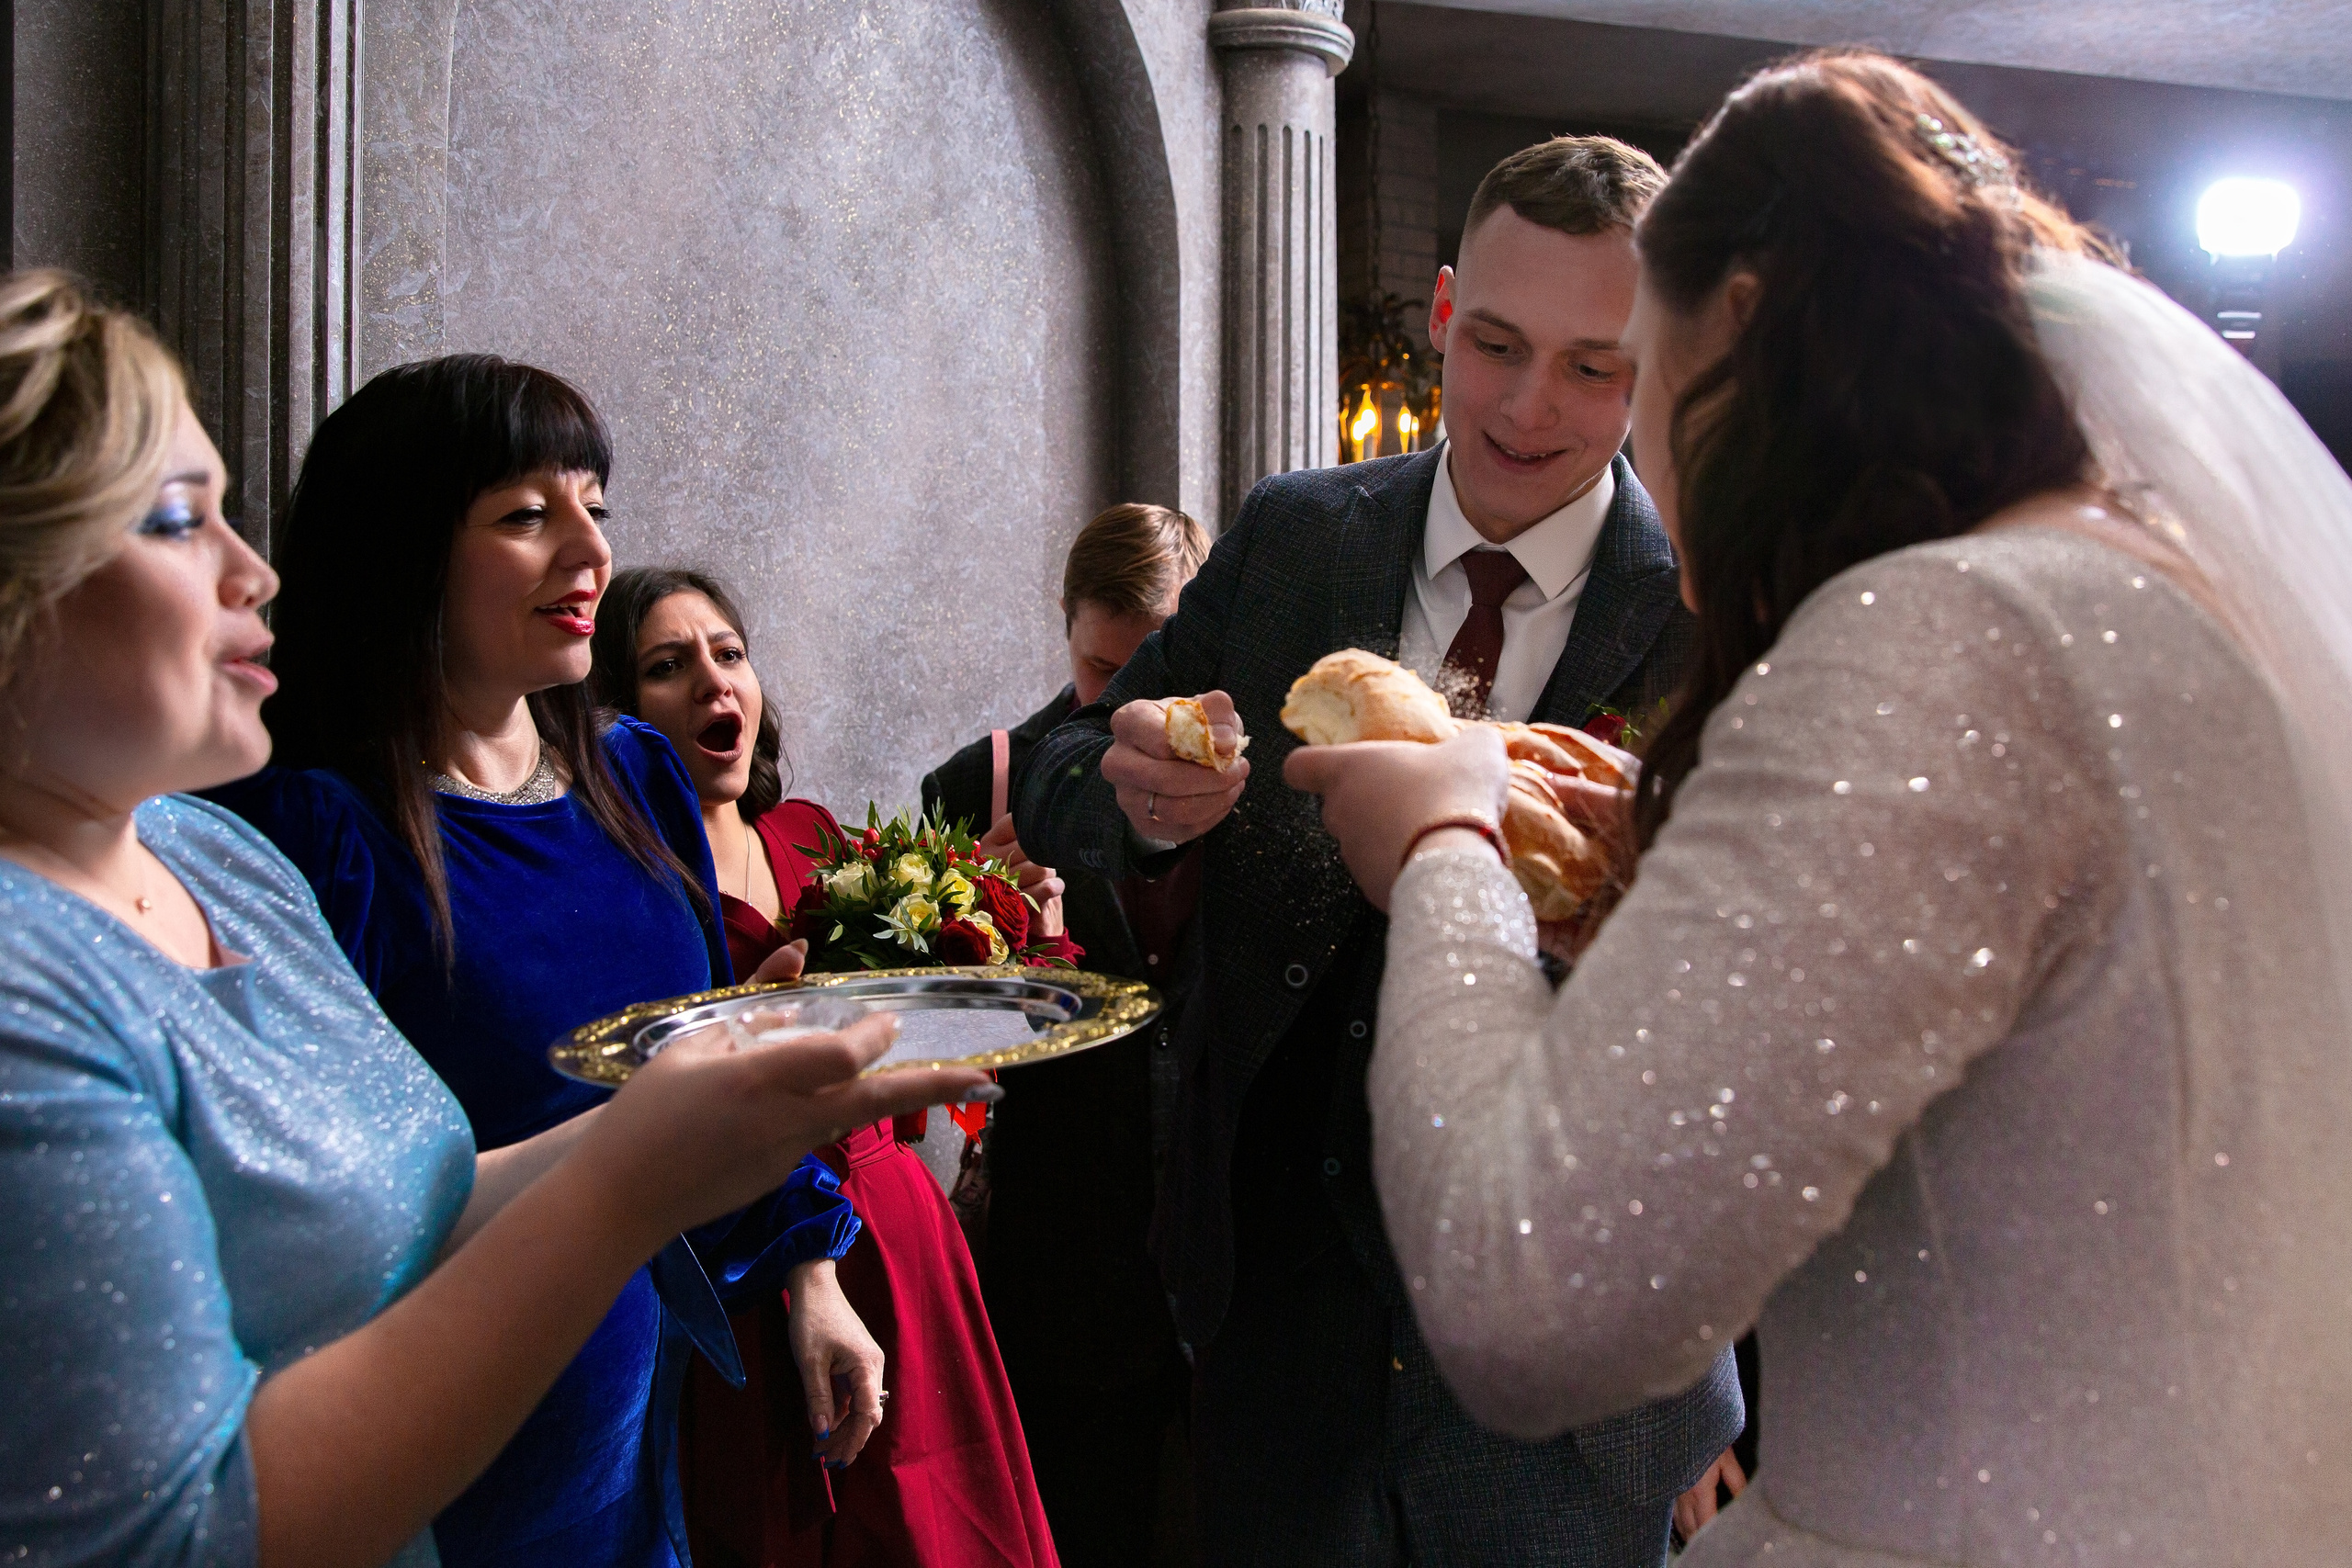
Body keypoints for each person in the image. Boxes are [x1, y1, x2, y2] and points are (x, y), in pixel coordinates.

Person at [1287, 51, 2352, 1565]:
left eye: (1634, 372)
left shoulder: (1939, 633)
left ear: (1731, 346)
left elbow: (1529, 1295)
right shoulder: (2170, 589)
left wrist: (1448, 840)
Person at [0, 269, 989, 1568]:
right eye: (182, 520)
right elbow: (188, 1522)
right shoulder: (223, 872)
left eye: (596, 511)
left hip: (616, 1435)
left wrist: (725, 1131)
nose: (253, 572)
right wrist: (630, 1176)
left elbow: (403, 1193)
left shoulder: (208, 855)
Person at [1017, 139, 1743, 1565]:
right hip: (1273, 1332)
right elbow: (1060, 764)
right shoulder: (1294, 535)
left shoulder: (1712, 615)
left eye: (1593, 367)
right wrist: (1140, 800)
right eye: (1497, 344)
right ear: (1442, 309)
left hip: (1566, 1379)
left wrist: (1701, 1381)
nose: (1526, 407)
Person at [206, 355, 898, 1568]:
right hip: (439, 1432)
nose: (591, 553)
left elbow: (704, 1052)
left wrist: (808, 1272)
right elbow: (312, 1217)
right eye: (528, 515)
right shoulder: (318, 828)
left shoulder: (635, 769)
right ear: (403, 548)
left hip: (632, 1408)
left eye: (596, 506)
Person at [592, 565, 1062, 1568]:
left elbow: (916, 1029)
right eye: (667, 666)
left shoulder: (806, 831)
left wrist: (1015, 935)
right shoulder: (628, 885)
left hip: (900, 1228)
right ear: (618, 714)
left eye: (729, 653)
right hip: (753, 1262)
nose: (713, 681)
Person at [921, 502, 1211, 1567]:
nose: (1127, 712)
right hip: (1067, 1267)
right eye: (1101, 674)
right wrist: (984, 931)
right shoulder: (981, 785)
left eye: (1156, 676)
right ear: (1063, 625)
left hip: (1240, 1266)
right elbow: (940, 1061)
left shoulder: (1265, 780)